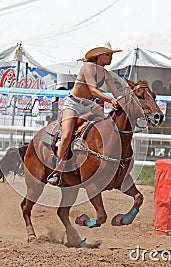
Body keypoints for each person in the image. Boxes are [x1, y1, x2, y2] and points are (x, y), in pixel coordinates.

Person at [47, 42, 121, 185]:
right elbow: (93, 90)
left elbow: (115, 91)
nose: (111, 57)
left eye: (111, 54)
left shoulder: (106, 73)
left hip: (89, 104)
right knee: (67, 134)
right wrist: (111, 100)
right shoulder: (87, 68)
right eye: (108, 54)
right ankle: (57, 170)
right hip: (73, 104)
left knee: (107, 127)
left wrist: (122, 100)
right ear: (99, 56)